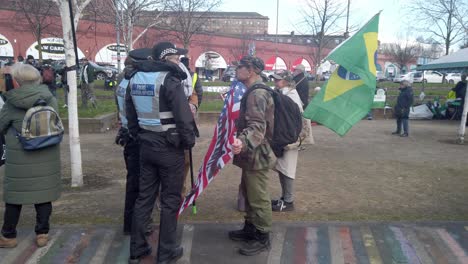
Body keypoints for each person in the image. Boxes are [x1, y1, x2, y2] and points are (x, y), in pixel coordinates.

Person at [126, 42, 195, 264]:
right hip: (169, 147)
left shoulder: (135, 78)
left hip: (146, 145)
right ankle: (166, 252)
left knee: (144, 198)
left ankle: (137, 250)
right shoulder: (169, 80)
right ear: (165, 59)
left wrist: (139, 136)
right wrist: (189, 140)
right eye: (175, 58)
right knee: (170, 200)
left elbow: (131, 115)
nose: (178, 62)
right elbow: (184, 117)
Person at [0, 64, 61, 248]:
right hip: (46, 153)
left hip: (19, 157)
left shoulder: (11, 102)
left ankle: (9, 236)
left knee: (15, 197)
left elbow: (1, 125)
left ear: (17, 81)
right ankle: (42, 234)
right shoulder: (50, 98)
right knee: (43, 195)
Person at [230, 55, 275, 256]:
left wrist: (243, 141)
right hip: (252, 153)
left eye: (240, 67)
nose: (236, 69)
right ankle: (250, 228)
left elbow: (257, 127)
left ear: (252, 71)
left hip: (258, 153)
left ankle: (263, 236)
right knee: (248, 192)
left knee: (258, 197)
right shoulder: (254, 91)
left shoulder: (257, 94)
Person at [269, 71, 302, 212]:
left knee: (287, 169)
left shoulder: (292, 95)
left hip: (290, 138)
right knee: (282, 168)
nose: (276, 82)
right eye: (275, 79)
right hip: (283, 137)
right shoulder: (282, 93)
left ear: (286, 81)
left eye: (279, 80)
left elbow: (294, 118)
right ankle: (284, 198)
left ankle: (289, 201)